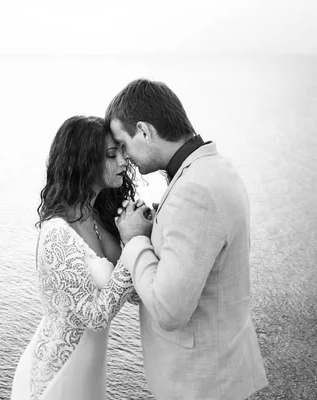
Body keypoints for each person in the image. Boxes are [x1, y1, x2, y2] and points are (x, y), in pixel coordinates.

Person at [106, 78, 268, 399]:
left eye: (123, 144)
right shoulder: (216, 167)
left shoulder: (194, 189)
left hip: (201, 382)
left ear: (144, 131)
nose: (126, 158)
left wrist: (135, 238)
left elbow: (169, 311)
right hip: (222, 367)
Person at [10, 115, 140, 400]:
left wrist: (147, 238)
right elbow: (94, 316)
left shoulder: (102, 218)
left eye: (122, 152)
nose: (123, 162)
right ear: (83, 161)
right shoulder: (58, 232)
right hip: (57, 373)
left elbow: (133, 295)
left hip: (91, 374)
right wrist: (133, 244)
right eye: (111, 154)